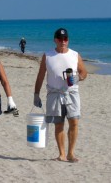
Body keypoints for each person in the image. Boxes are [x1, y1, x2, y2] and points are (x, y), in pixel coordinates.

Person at [34, 28, 87, 162]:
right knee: (59, 124)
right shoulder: (48, 56)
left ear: (68, 40)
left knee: (74, 122)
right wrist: (36, 94)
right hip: (54, 93)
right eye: (60, 39)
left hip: (72, 93)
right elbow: (41, 75)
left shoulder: (75, 55)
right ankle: (62, 154)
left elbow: (84, 72)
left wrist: (78, 78)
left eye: (65, 39)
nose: (63, 41)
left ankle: (71, 153)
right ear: (55, 40)